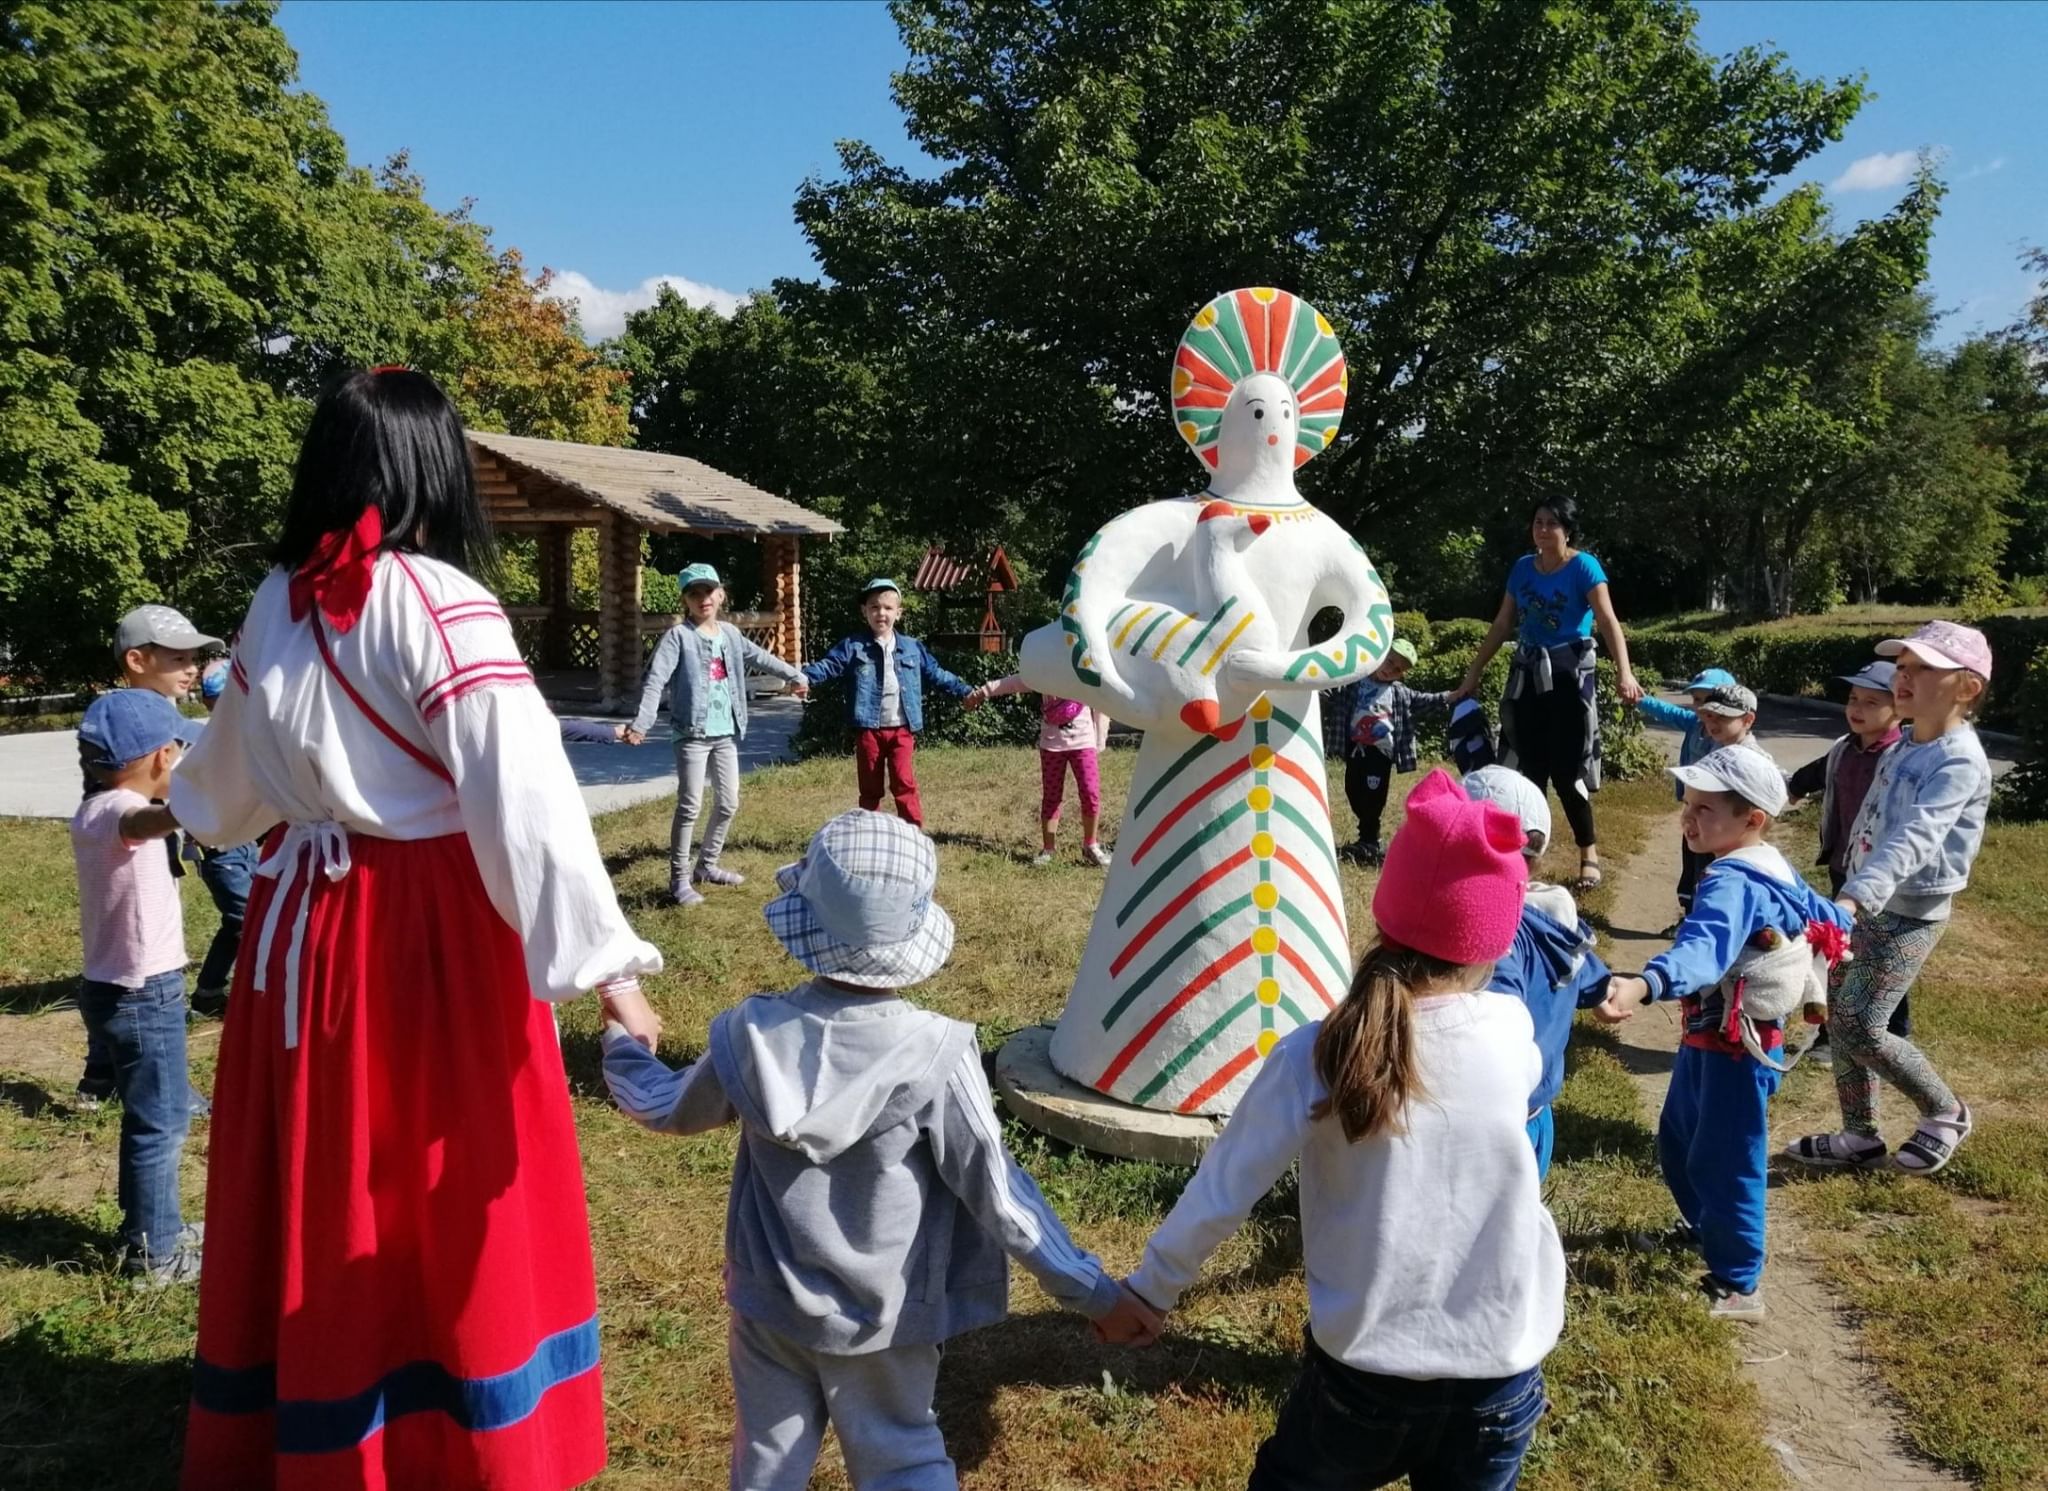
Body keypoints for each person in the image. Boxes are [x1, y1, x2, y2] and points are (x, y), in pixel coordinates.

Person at [169, 367, 665, 1490]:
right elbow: (521, 799)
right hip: (428, 926)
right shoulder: (442, 600)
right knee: (444, 1171)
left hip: (299, 921)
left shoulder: (273, 599)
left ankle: (317, 1405)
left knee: (323, 1166)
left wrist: (178, 811)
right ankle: (460, 1435)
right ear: (435, 467)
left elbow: (226, 793)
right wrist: (605, 969)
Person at [600, 810, 1156, 1491]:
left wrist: (623, 1048)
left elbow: (666, 1107)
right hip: (886, 1318)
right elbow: (1000, 1195)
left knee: (765, 1465)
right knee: (902, 1457)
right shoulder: (939, 1053)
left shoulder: (745, 1033)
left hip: (769, 1302)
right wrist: (1096, 1293)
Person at [1116, 769, 1564, 1490]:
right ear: (1495, 937)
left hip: (1364, 1375)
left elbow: (1225, 1185)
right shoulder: (1514, 1033)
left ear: (1384, 912)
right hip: (1502, 1369)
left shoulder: (1314, 1051)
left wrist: (1151, 1288)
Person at [1596, 747, 1852, 1319]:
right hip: (1715, 1038)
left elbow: (1702, 953)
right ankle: (1706, 1228)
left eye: (1705, 810)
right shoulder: (1769, 863)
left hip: (1738, 1044)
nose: (1689, 820)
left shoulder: (1731, 881)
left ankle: (1739, 1282)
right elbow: (1826, 915)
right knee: (1681, 1138)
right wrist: (1840, 923)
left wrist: (1644, 984)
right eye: (1688, 806)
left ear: (1752, 818)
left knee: (1727, 1155)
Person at [1785, 623, 1993, 1178]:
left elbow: (1917, 836)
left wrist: (1855, 896)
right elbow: (1873, 819)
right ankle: (1860, 1136)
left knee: (1862, 1024)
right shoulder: (1906, 746)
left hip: (1909, 911)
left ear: (1966, 688)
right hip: (1865, 897)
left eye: (1921, 668)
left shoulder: (1958, 760)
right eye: (1902, 665)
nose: (1904, 676)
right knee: (1841, 1009)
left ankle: (1945, 1110)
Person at [70, 688, 204, 1284]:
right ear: (161, 758)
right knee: (162, 1122)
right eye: (180, 752)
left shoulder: (95, 808)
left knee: (154, 1116)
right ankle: (155, 1253)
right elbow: (146, 821)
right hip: (142, 992)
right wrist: (195, 807)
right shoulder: (115, 811)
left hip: (125, 988)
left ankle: (154, 1227)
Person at [1459, 497, 1645, 893]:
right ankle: (1521, 856)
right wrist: (1473, 673)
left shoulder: (1583, 566)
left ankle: (1588, 852)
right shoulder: (1523, 568)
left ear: (1568, 531)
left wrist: (1624, 673)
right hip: (1527, 674)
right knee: (1524, 766)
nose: (1542, 530)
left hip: (1568, 676)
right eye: (1537, 523)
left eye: (1551, 524)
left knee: (1566, 768)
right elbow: (1503, 622)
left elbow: (1608, 620)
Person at [73, 605, 219, 1105]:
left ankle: (102, 1075)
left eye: (195, 658)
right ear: (137, 659)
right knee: (134, 962)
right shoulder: (126, 719)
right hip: (131, 850)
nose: (191, 668)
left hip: (146, 858)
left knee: (120, 958)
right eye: (177, 658)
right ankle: (150, 1083)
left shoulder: (158, 715)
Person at [625, 563, 810, 905]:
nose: (702, 599)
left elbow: (762, 658)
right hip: (692, 734)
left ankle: (706, 866)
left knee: (728, 803)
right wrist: (642, 722)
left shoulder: (731, 634)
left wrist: (795, 675)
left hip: (725, 733)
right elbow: (656, 681)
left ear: (721, 595)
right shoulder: (678, 637)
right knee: (690, 805)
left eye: (708, 591)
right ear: (685, 600)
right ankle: (678, 880)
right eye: (694, 593)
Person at [1462, 765, 1613, 1178]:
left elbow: (1495, 1020)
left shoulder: (1493, 937)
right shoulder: (1555, 917)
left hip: (1495, 1118)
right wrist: (1603, 996)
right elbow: (1582, 967)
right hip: (1540, 1106)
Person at [1784, 661, 1908, 1044]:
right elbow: (1810, 776)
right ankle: (1829, 1032)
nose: (1857, 708)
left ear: (1900, 708)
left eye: (1872, 702)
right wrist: (1784, 793)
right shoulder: (1843, 749)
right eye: (1853, 699)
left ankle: (1895, 1033)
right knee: (1837, 949)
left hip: (1883, 874)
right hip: (1844, 865)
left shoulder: (1904, 757)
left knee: (1884, 957)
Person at [801, 579, 977, 829]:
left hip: (902, 729)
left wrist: (965, 691)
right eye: (873, 607)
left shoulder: (912, 647)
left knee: (903, 782)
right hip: (868, 730)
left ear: (898, 612)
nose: (880, 613)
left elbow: (936, 673)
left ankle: (913, 833)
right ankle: (870, 833)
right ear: (865, 612)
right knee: (870, 787)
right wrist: (805, 678)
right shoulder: (853, 646)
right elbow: (830, 665)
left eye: (887, 608)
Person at [1638, 676, 1770, 917]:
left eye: (1723, 717)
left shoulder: (1752, 759)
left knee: (1721, 886)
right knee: (1699, 875)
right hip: (1706, 829)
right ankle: (1693, 914)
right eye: (1709, 714)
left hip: (1728, 838)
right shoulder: (1716, 746)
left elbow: (1773, 788)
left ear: (1748, 720)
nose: (1712, 722)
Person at [1318, 637, 1455, 865]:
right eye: (1389, 662)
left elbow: (1425, 701)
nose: (1390, 669)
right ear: (1380, 656)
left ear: (1401, 674)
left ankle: (1370, 840)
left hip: (1380, 754)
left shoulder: (1398, 692)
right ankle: (1365, 833)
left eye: (1397, 669)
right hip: (1356, 749)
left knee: (1373, 796)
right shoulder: (1355, 681)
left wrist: (1453, 696)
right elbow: (1333, 692)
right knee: (1353, 790)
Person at [968, 674, 1111, 865]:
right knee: (1052, 797)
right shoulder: (1044, 669)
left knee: (1090, 793)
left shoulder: (1082, 668)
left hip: (1084, 742)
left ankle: (1091, 845)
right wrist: (983, 692)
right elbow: (1015, 682)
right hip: (1051, 744)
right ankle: (1048, 850)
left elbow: (1102, 699)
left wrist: (1100, 739)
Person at [186, 660, 258, 1019]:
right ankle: (256, 996)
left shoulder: (246, 736)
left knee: (237, 923)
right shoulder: (199, 742)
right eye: (216, 701)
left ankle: (208, 994)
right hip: (218, 850)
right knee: (248, 921)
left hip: (246, 844)